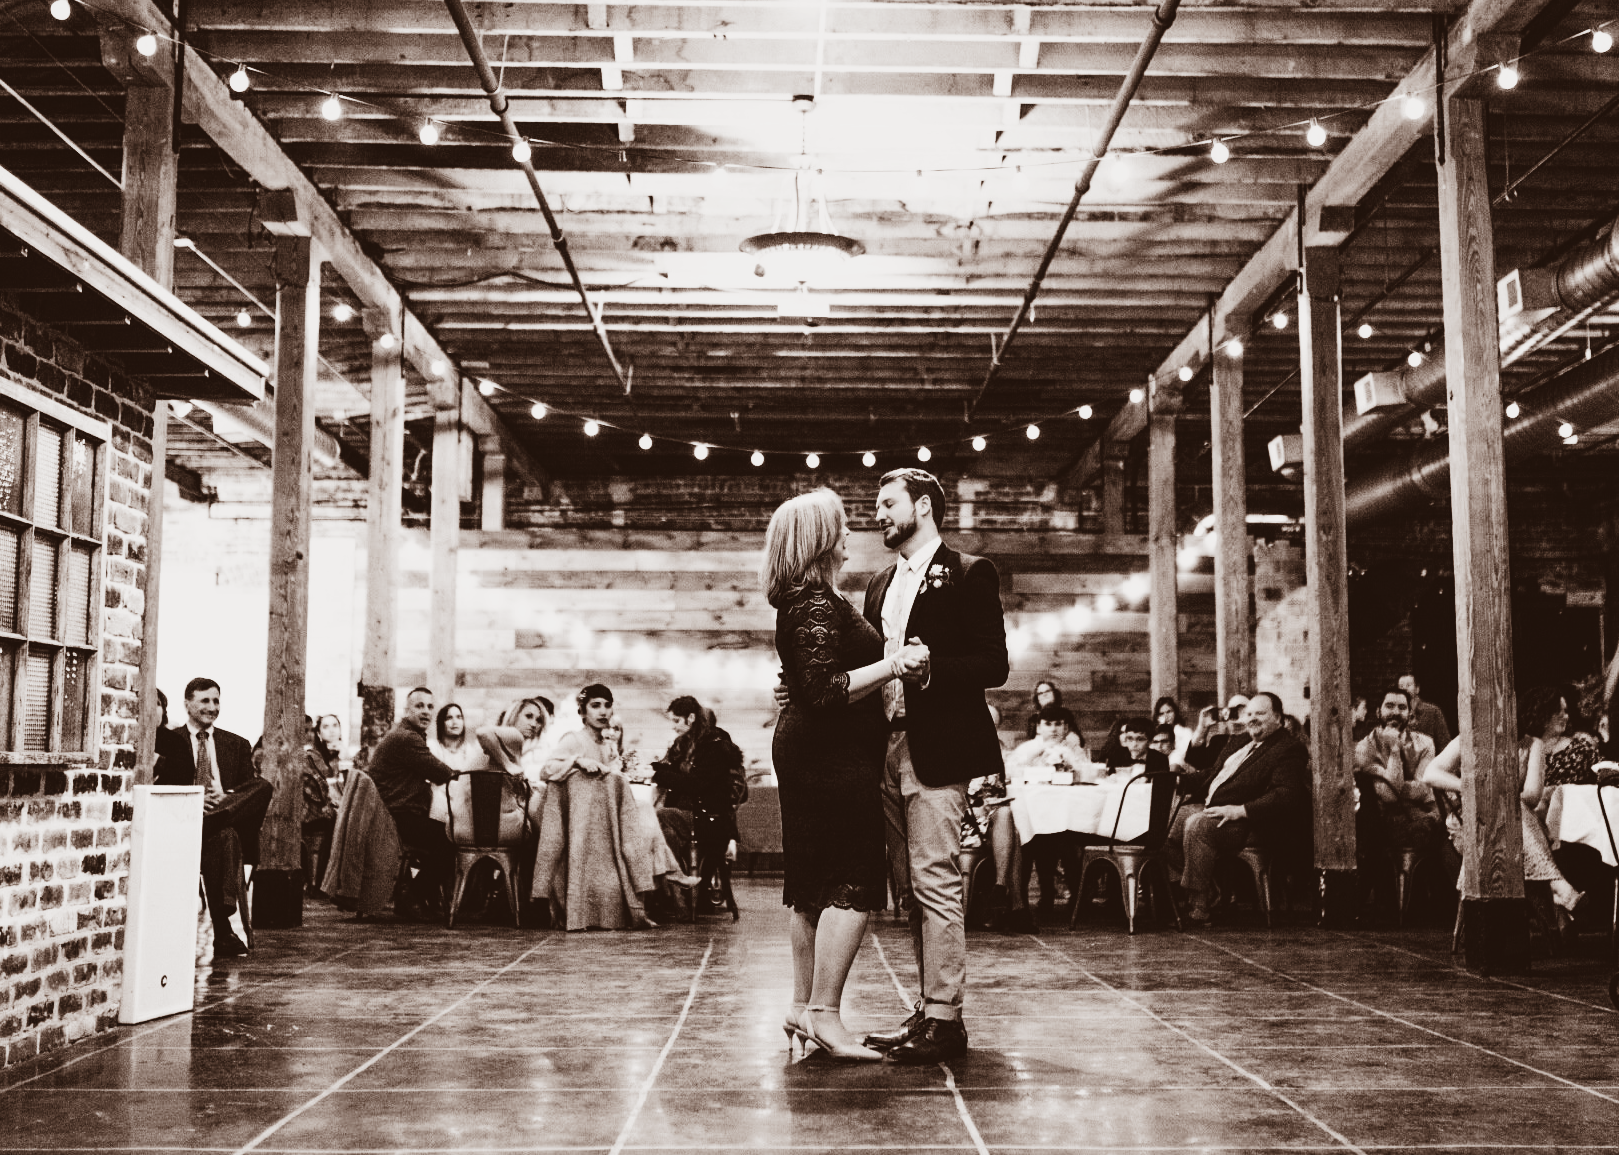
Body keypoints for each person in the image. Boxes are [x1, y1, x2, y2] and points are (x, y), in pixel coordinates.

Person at [766, 487, 928, 1062]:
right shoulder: (812, 600)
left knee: (813, 886)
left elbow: (810, 682)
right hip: (827, 755)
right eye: (837, 527)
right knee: (852, 881)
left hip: (816, 749)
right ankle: (826, 1016)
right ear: (817, 538)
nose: (847, 535)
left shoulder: (810, 599)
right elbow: (825, 691)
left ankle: (801, 1004)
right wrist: (893, 663)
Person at [1164, 692, 1310, 925]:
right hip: (1217, 809)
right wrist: (1172, 780)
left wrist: (1240, 810)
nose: (1252, 718)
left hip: (1253, 822)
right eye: (1249, 713)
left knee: (1197, 825)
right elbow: (1212, 775)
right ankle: (1210, 890)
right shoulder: (1239, 741)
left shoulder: (1288, 748)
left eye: (1260, 713)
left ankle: (1199, 909)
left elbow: (1286, 795)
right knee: (1166, 821)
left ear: (1278, 718)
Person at [154, 678, 271, 957]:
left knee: (261, 788)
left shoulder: (237, 744)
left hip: (217, 822)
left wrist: (226, 796)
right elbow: (163, 787)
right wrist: (195, 798)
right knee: (225, 836)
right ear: (187, 704)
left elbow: (248, 794)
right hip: (183, 821)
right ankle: (223, 929)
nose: (212, 707)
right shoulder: (172, 741)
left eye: (216, 701)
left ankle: (220, 815)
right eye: (205, 700)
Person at [1422, 732, 1585, 916]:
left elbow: (1531, 796)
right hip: (1472, 829)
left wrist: (1499, 799)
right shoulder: (1471, 736)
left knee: (1512, 809)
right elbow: (1430, 774)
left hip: (1518, 827)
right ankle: (1558, 887)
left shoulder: (1532, 744)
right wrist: (1470, 787)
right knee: (1510, 809)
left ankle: (1555, 895)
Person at [367, 687, 456, 919]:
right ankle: (412, 895)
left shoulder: (406, 735)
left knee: (444, 831)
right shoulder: (407, 738)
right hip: (396, 817)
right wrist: (462, 774)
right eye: (419, 706)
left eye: (429, 706)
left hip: (394, 813)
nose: (426, 712)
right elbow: (441, 773)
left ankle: (426, 896)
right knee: (451, 839)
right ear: (406, 710)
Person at [651, 696, 745, 874]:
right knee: (663, 830)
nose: (674, 726)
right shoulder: (687, 743)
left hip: (709, 816)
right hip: (696, 811)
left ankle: (675, 878)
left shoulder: (714, 746)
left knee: (659, 817)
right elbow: (676, 770)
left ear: (691, 718)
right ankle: (675, 883)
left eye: (677, 720)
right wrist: (656, 768)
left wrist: (658, 775)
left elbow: (694, 784)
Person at [1353, 687, 1441, 853]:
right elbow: (1390, 796)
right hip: (1381, 825)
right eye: (1389, 706)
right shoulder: (1365, 748)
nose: (1395, 712)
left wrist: (1396, 786)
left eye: (1402, 707)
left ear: (1409, 714)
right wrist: (1394, 749)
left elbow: (1422, 789)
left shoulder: (1425, 743)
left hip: (1422, 818)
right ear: (1379, 712)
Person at [501, 697, 555, 782]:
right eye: (528, 716)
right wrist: (507, 764)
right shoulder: (502, 737)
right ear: (514, 716)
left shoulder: (540, 748)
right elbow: (483, 733)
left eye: (539, 720)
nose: (534, 724)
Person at [1398, 674, 1452, 750]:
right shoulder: (1396, 714)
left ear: (1417, 688)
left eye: (1408, 685)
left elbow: (1444, 744)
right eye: (1401, 686)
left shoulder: (1433, 711)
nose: (1404, 689)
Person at [431, 703, 483, 772]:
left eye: (459, 717)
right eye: (449, 718)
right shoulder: (433, 747)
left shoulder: (470, 751)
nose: (455, 722)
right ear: (441, 723)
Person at [1153, 696, 1194, 765]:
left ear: (1175, 712)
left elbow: (1184, 754)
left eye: (1169, 712)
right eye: (1161, 714)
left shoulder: (1185, 732)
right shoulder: (1154, 733)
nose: (1166, 716)